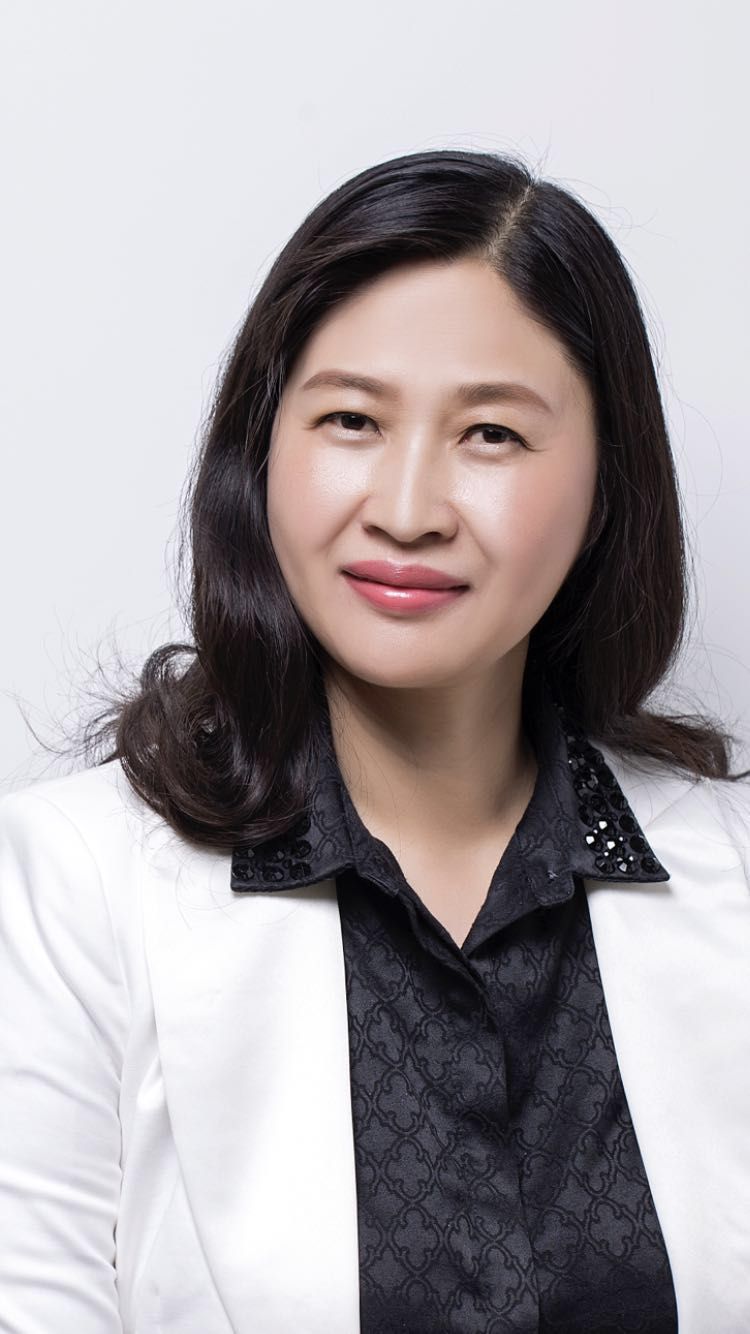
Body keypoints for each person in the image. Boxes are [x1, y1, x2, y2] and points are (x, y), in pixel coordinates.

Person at [1, 149, 749, 1334]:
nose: (406, 510)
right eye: (351, 419)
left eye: (491, 434)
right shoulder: (70, 888)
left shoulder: (733, 868)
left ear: (606, 485)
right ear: (265, 449)